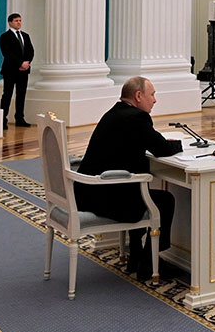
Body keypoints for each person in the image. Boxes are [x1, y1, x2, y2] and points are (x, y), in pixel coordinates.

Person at [74, 77, 183, 281]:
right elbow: (162, 148)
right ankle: (150, 262)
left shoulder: (115, 112)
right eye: (152, 95)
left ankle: (136, 255)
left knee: (140, 192)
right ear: (138, 96)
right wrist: (178, 144)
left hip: (89, 192)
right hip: (106, 196)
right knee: (164, 200)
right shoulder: (136, 118)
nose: (155, 100)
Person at [0, 12, 34, 127]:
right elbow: (7, 53)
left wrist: (27, 62)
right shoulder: (5, 36)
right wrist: (20, 63)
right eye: (16, 21)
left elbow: (30, 50)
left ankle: (20, 118)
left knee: (21, 94)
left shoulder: (25, 35)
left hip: (24, 70)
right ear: (10, 22)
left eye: (20, 20)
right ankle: (3, 119)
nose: (19, 23)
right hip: (10, 70)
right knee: (7, 94)